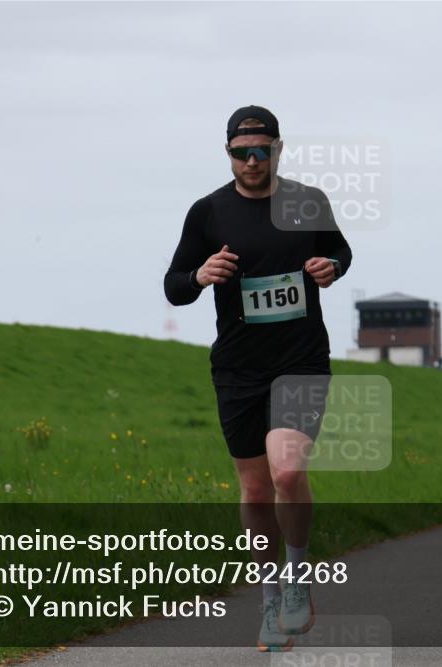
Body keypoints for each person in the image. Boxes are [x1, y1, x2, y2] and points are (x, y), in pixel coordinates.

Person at [164, 106, 352, 652]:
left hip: (301, 360)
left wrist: (331, 268)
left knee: (287, 472)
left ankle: (297, 579)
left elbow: (339, 249)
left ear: (278, 149)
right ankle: (270, 596)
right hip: (238, 368)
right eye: (241, 151)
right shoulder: (208, 213)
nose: (252, 159)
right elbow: (175, 285)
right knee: (253, 489)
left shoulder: (307, 201)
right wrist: (200, 275)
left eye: (261, 150)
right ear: (227, 153)